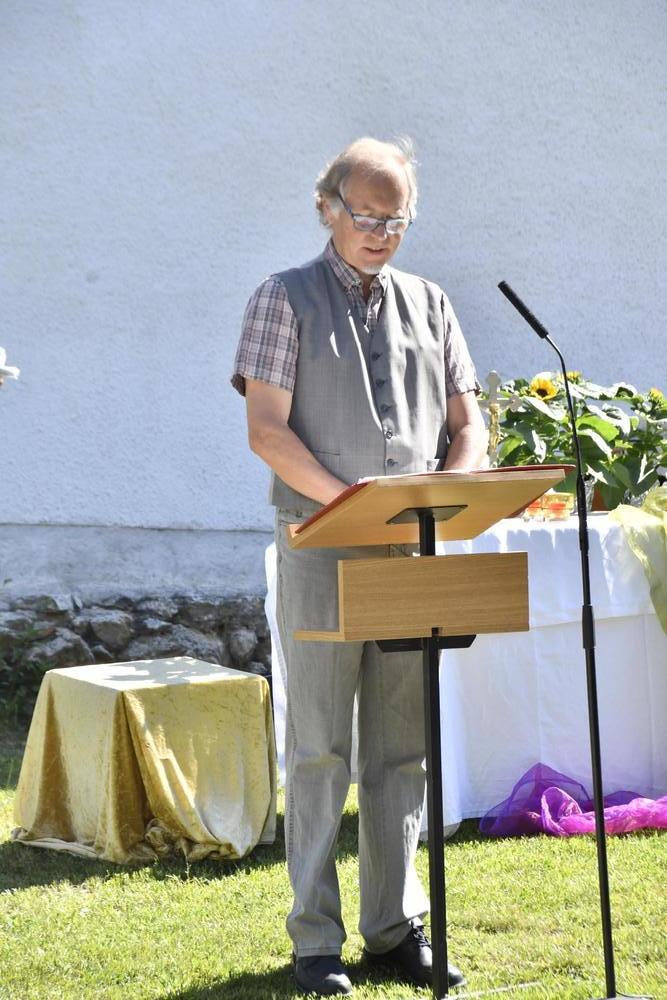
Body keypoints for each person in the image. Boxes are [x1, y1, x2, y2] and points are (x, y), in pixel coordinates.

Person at [232, 137, 487, 996]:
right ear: (326, 207)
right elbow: (267, 431)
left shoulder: (431, 302)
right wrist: (349, 504)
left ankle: (392, 928)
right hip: (318, 545)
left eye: (396, 219)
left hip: (410, 546)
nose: (381, 232)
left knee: (401, 750)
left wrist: (451, 493)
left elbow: (469, 424)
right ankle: (314, 940)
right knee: (317, 750)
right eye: (367, 215)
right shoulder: (281, 297)